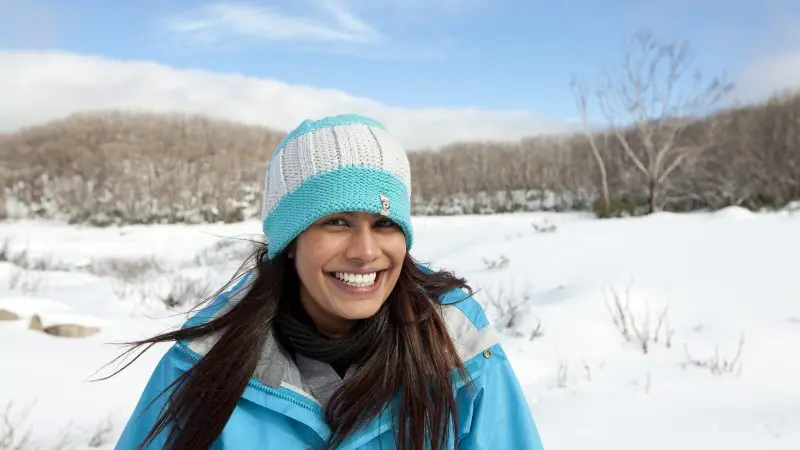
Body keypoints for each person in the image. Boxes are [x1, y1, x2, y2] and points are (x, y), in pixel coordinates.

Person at [113, 114, 545, 450]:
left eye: (384, 223)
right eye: (336, 221)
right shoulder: (206, 361)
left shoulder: (456, 348)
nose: (365, 250)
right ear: (290, 241)